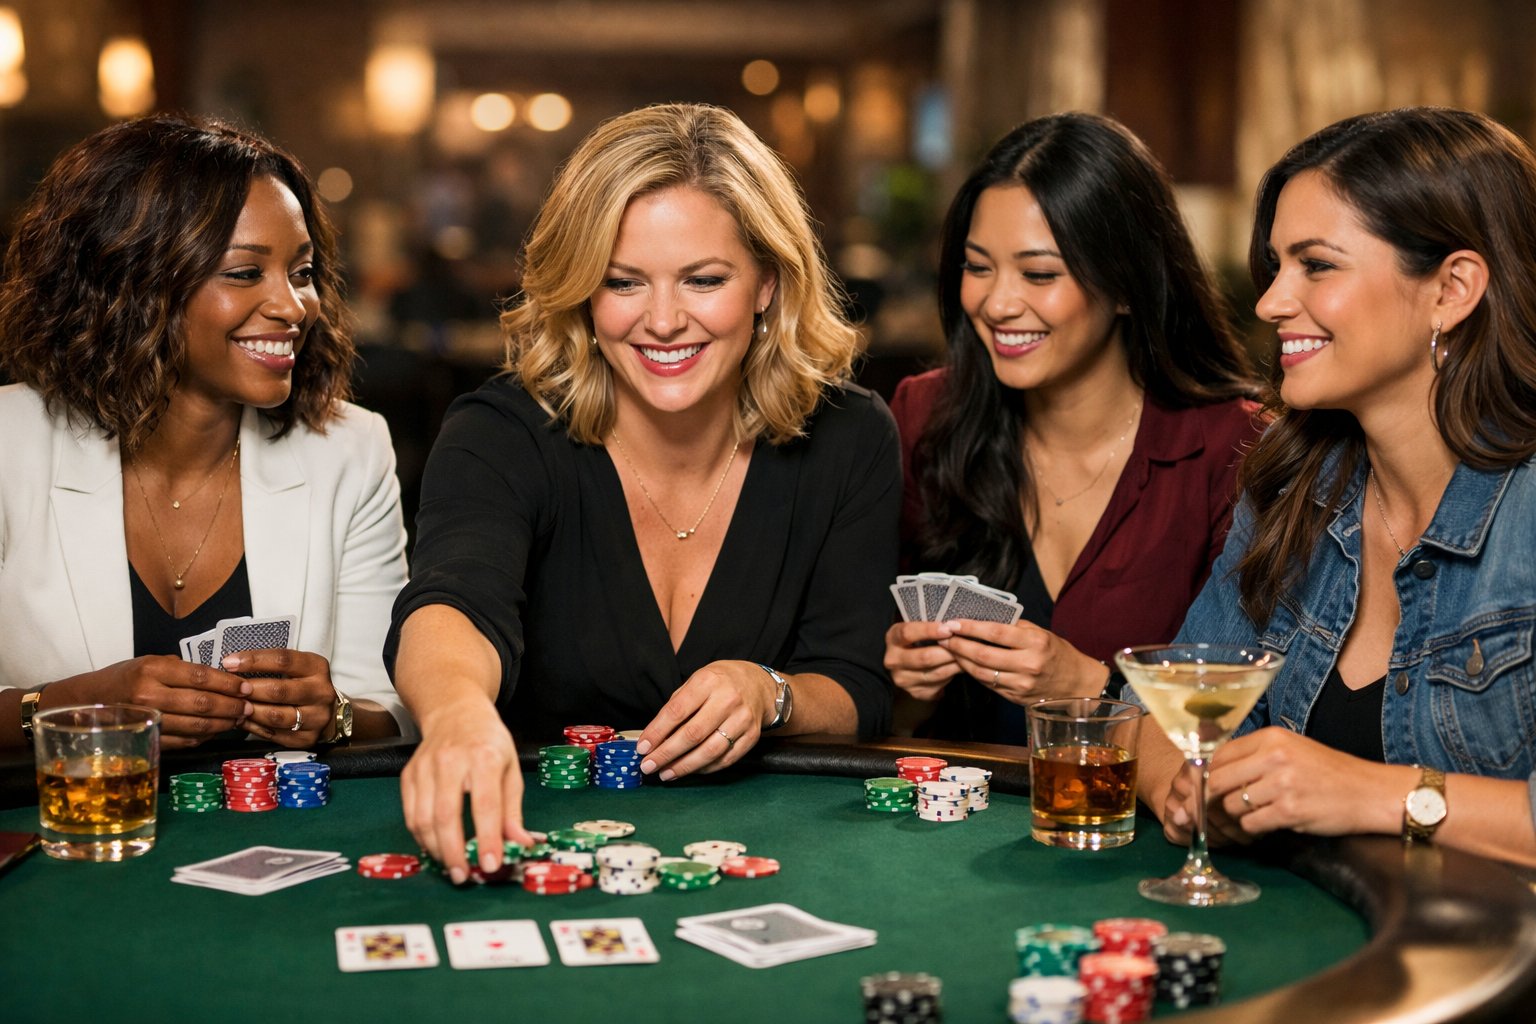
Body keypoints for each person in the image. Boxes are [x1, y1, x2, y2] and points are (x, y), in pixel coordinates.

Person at [386, 103, 900, 881]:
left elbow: (857, 683)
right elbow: (454, 600)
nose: (663, 321)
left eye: (703, 280)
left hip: (776, 856)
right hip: (542, 852)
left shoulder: (850, 438)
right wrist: (458, 715)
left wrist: (768, 693)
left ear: (766, 282)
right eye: (623, 282)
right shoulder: (501, 431)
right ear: (584, 292)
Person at [1144, 107, 1536, 867]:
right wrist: (1191, 792)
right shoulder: (1295, 485)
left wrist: (1371, 793)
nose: (1269, 302)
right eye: (1276, 265)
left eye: (1316, 265)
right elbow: (1160, 715)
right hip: (1326, 952)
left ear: (1452, 289)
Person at [0, 115, 411, 750]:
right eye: (245, 273)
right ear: (134, 283)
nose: (294, 305)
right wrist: (65, 705)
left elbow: (392, 708)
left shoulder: (351, 451)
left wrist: (335, 716)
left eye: (301, 273)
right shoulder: (10, 442)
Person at [884, 113, 1261, 743]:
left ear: (1126, 287)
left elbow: (1244, 726)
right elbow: (852, 658)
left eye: (1039, 274)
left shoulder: (1235, 449)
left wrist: (1088, 682)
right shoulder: (924, 414)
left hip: (1141, 825)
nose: (998, 303)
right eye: (978, 268)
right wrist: (893, 662)